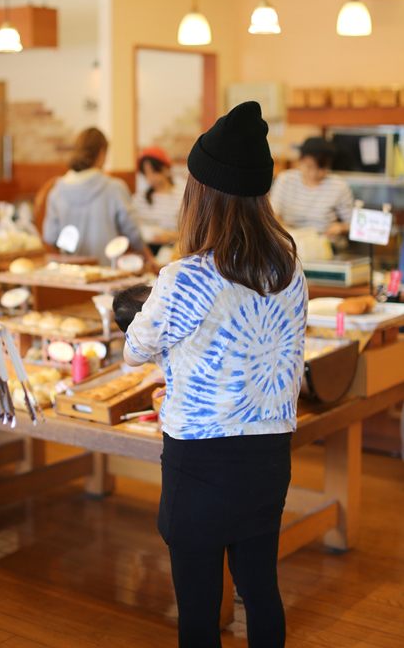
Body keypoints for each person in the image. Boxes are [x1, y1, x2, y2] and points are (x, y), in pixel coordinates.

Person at [123, 101, 308, 648]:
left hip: (201, 462)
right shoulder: (289, 269)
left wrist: (139, 311)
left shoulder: (185, 276)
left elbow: (135, 349)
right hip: (269, 455)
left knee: (199, 612)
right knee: (262, 591)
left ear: (201, 192)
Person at [42, 127, 156, 268]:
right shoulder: (114, 188)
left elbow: (50, 237)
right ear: (102, 153)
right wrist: (149, 257)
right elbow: (132, 232)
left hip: (70, 275)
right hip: (108, 273)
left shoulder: (56, 192)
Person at [270, 136, 354, 236]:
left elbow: (352, 224)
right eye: (309, 167)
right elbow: (272, 214)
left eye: (321, 168)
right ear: (300, 161)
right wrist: (287, 232)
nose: (313, 174)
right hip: (289, 238)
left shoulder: (339, 186)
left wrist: (341, 227)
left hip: (324, 240)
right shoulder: (285, 180)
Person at [133, 146, 185, 252]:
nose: (151, 177)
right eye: (146, 173)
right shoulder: (140, 198)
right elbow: (133, 225)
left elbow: (190, 232)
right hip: (146, 251)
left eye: (154, 171)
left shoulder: (181, 196)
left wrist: (173, 236)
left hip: (173, 251)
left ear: (165, 168)